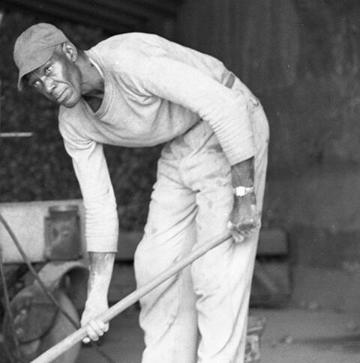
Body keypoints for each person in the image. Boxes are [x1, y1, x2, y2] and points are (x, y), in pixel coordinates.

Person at [13, 23, 269, 363]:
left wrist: (243, 195)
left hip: (231, 126)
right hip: (182, 141)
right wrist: (96, 300)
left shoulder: (129, 61)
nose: (48, 86)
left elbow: (226, 107)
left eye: (48, 70)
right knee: (155, 267)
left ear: (69, 52)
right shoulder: (72, 122)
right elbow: (100, 206)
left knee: (216, 276)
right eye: (37, 83)